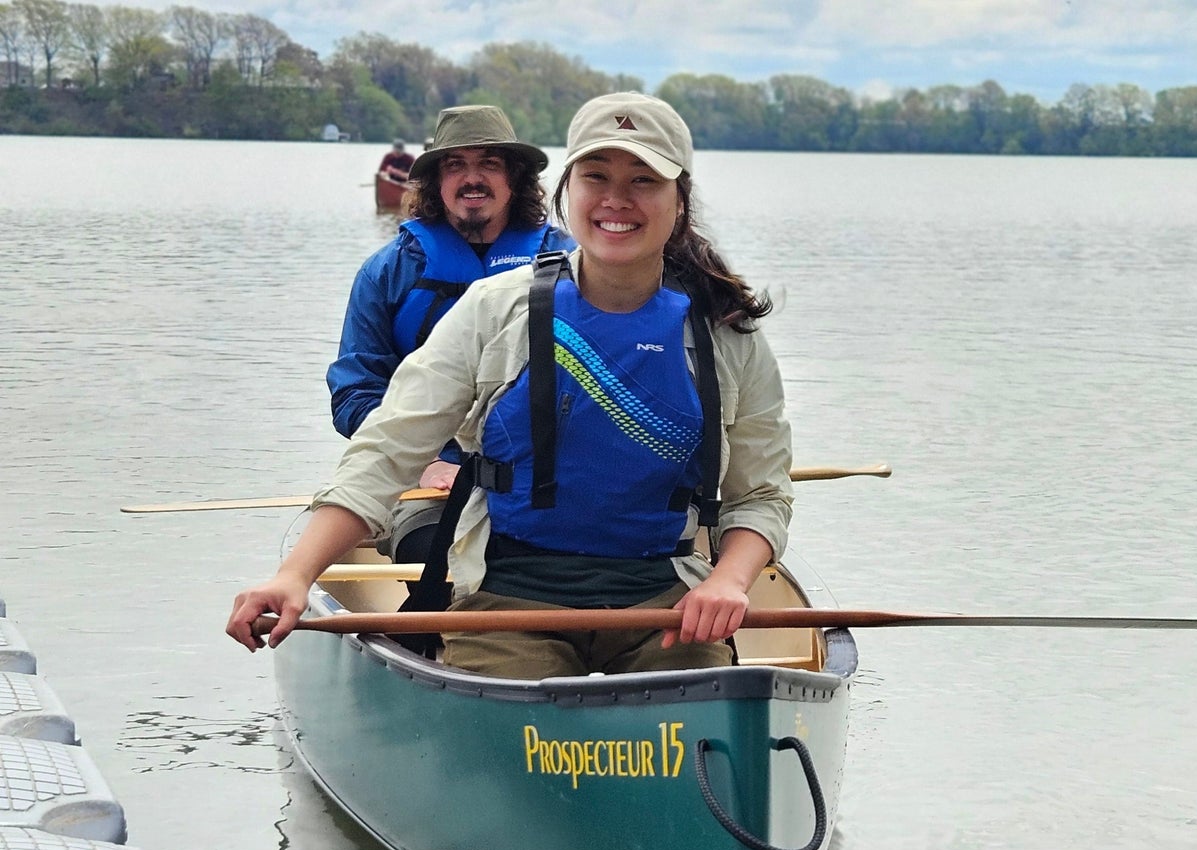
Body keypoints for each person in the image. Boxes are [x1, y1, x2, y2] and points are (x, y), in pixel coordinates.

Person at [229, 92, 792, 680]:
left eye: (644, 180)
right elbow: (386, 452)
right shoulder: (493, 308)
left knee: (702, 692)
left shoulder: (728, 333)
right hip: (510, 595)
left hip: (668, 602)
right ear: (568, 191)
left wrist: (729, 580)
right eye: (596, 176)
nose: (616, 199)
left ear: (680, 200)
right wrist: (295, 574)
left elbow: (760, 494)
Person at [330, 105, 574, 562]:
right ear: (436, 182)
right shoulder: (387, 272)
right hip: (428, 475)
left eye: (489, 164)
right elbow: (354, 392)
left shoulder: (571, 264)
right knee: (427, 545)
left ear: (516, 178)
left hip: (545, 475)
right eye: (455, 165)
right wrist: (422, 460)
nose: (472, 178)